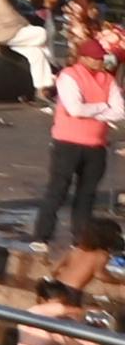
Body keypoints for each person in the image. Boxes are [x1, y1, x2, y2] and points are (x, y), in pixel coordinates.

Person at [35, 28, 121, 250]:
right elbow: (75, 108)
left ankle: (80, 238)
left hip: (96, 145)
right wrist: (103, 107)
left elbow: (119, 111)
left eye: (102, 58)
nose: (100, 62)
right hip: (67, 143)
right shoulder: (69, 76)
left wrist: (93, 110)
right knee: (57, 191)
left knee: (87, 195)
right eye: (95, 58)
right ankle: (41, 236)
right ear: (83, 58)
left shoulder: (108, 80)